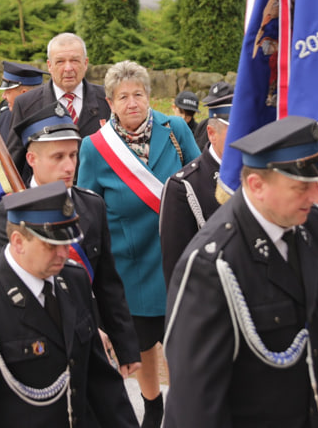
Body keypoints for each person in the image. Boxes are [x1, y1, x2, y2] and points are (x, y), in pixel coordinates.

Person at [164, 116, 318, 428]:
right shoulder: (212, 264)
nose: (315, 198)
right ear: (256, 185)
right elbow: (195, 398)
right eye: (301, 188)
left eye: (317, 186)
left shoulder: (317, 228)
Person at [0, 182, 139, 428]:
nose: (64, 254)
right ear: (18, 241)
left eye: (67, 243)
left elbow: (102, 383)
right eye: (51, 245)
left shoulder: (73, 280)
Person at [77, 60, 200, 428]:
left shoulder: (175, 128)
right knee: (144, 348)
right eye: (123, 97)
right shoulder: (95, 147)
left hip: (178, 259)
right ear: (110, 103)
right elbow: (87, 210)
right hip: (131, 266)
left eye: (139, 94)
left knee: (184, 345)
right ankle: (153, 405)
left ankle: (184, 408)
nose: (133, 102)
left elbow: (199, 178)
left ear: (149, 96)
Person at [0, 103, 141, 376]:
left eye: (73, 155)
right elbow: (12, 293)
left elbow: (108, 282)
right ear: (32, 159)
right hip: (34, 343)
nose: (70, 166)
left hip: (94, 341)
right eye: (58, 157)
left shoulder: (92, 206)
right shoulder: (6, 215)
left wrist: (126, 346)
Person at [6, 33, 111, 178]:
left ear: (85, 63)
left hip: (96, 196)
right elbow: (13, 162)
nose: (68, 68)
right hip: (47, 195)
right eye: (60, 61)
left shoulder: (109, 100)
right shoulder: (26, 104)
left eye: (74, 60)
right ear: (49, 66)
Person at [159, 91, 232, 287]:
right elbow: (178, 270)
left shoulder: (258, 175)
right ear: (211, 134)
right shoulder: (184, 187)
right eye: (234, 132)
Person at [0, 61, 46, 143]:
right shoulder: (4, 117)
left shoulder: (48, 120)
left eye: (8, 92)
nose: (3, 96)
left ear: (24, 94)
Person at [193, 81, 234, 150]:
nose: (214, 108)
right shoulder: (203, 125)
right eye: (211, 103)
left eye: (219, 103)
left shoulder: (232, 126)